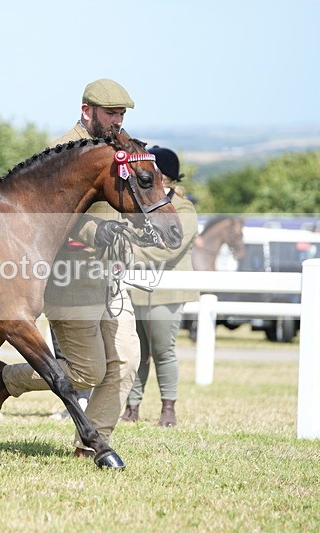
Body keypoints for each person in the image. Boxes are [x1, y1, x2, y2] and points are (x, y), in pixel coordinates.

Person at [0, 79, 142, 457]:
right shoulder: (62, 150)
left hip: (110, 276)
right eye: (111, 114)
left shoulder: (123, 148)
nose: (118, 121)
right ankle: (3, 379)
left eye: (122, 114)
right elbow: (46, 217)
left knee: (127, 361)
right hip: (70, 276)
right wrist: (97, 229)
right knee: (85, 372)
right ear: (88, 111)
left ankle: (90, 445)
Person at [121, 146, 199, 426]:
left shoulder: (183, 209)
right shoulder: (145, 207)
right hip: (138, 287)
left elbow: (169, 248)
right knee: (137, 350)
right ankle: (132, 406)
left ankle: (168, 408)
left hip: (168, 290)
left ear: (163, 177)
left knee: (163, 350)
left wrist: (128, 255)